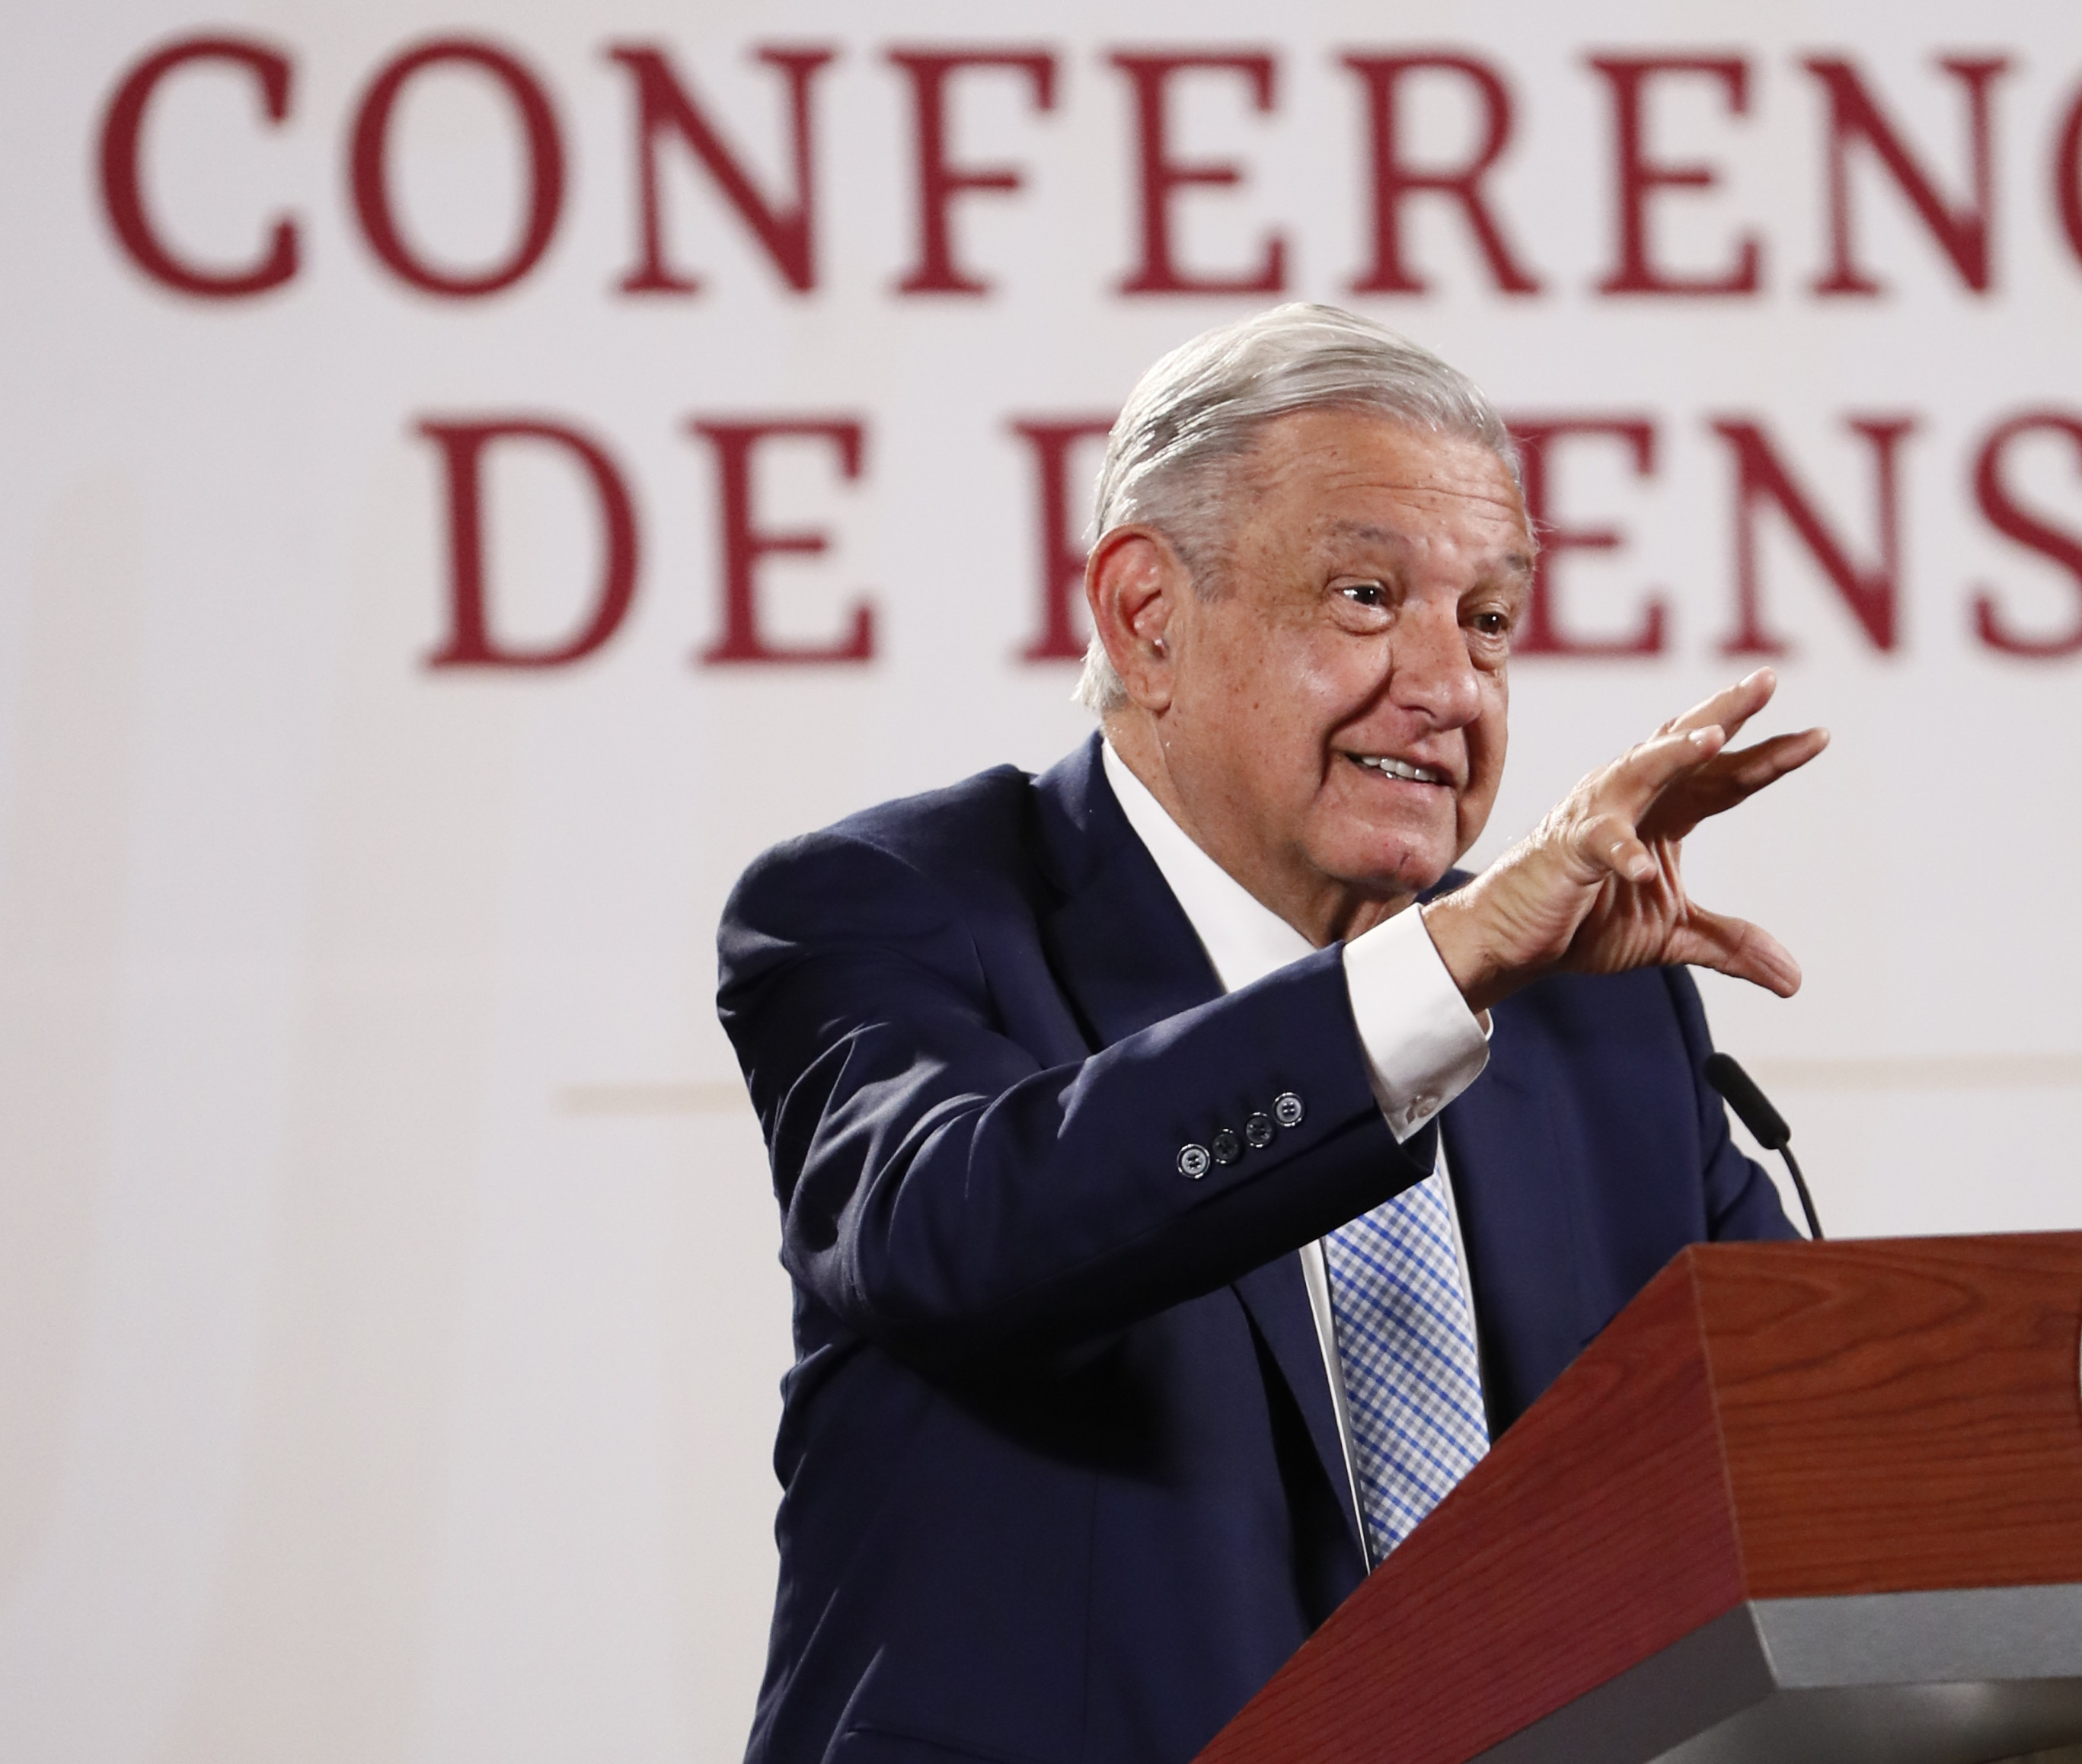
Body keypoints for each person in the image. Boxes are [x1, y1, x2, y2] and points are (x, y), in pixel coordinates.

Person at [717, 304, 1828, 1764]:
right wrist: (1439, 976)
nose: (1447, 688)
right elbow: (963, 1233)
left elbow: (1801, 1458)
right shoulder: (892, 912)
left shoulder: (1595, 1021)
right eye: (1366, 597)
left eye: (1488, 619)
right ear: (1145, 614)